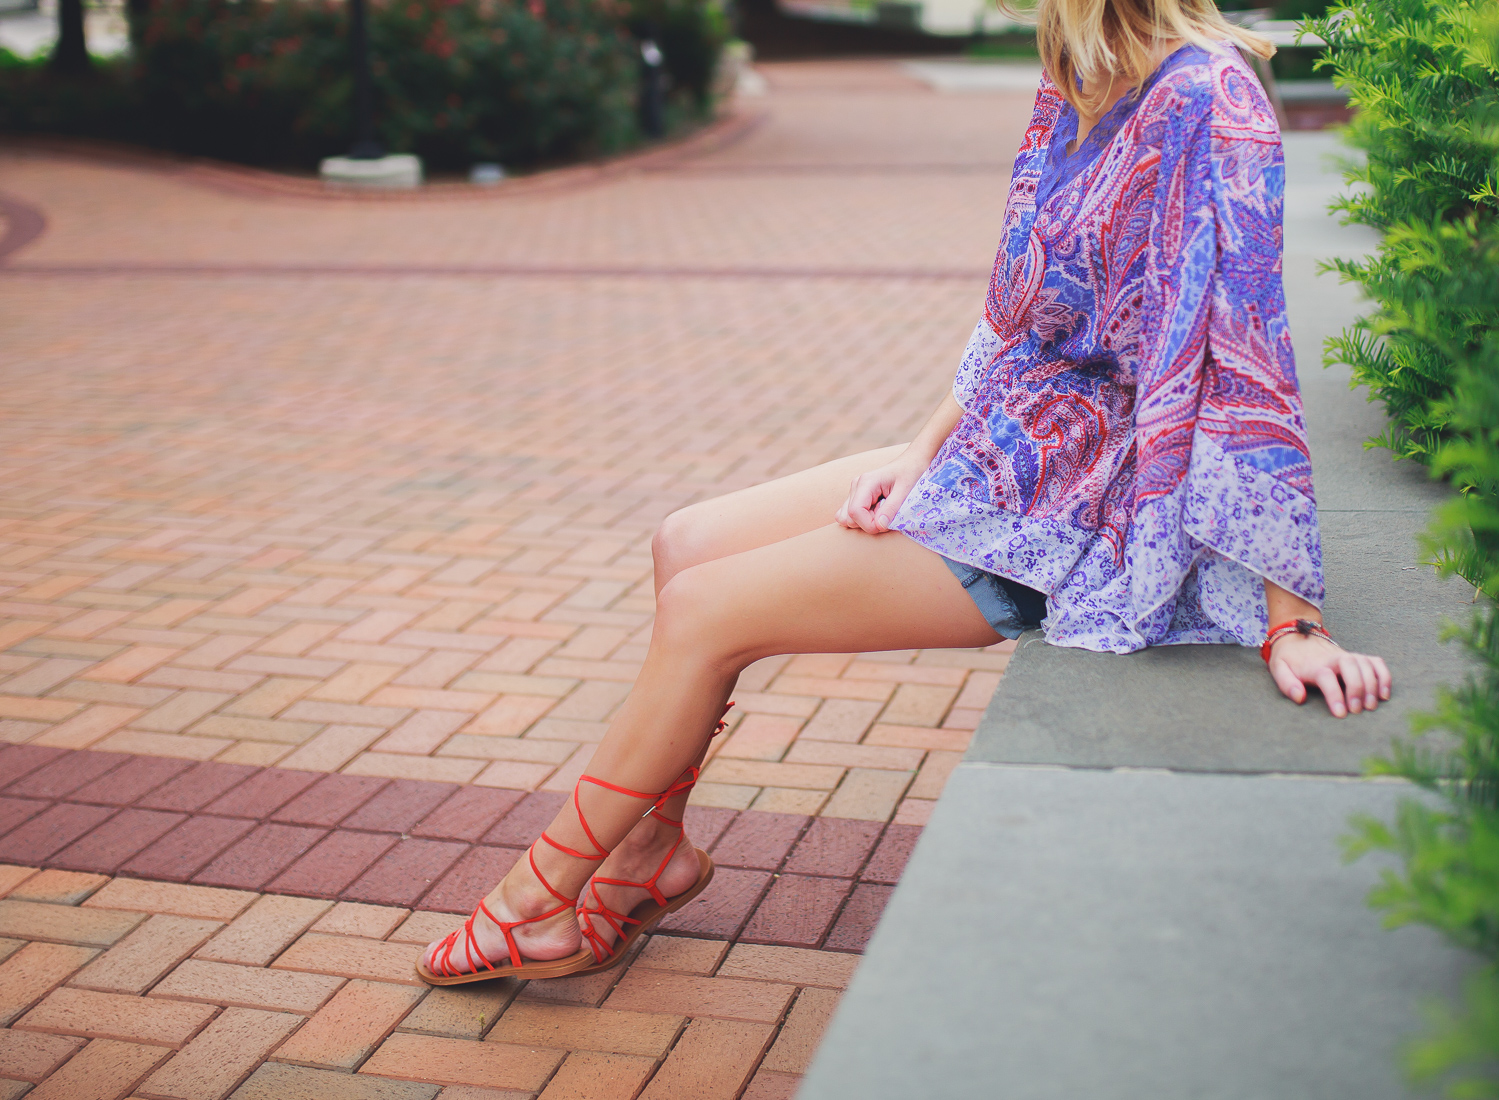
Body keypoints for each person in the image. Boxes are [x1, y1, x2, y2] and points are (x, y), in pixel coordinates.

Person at [417, 0, 1391, 985]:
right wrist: (924, 450)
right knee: (684, 541)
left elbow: (1250, 360)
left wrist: (1292, 618)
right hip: (997, 457)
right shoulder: (1076, 68)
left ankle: (536, 901)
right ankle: (644, 857)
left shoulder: (1213, 97)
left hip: (1084, 517)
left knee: (702, 610)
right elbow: (1012, 309)